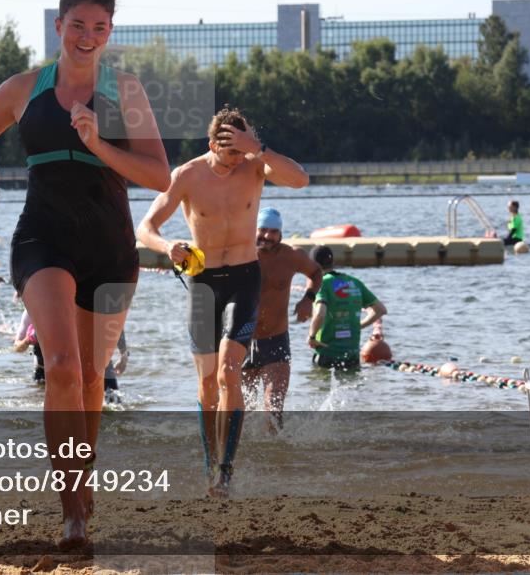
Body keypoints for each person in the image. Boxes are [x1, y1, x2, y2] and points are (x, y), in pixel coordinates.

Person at [0, 0, 170, 547]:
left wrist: (101, 145)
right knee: (64, 368)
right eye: (78, 24)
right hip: (42, 241)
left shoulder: (125, 91)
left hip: (111, 246)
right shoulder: (23, 88)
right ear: (59, 25)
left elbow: (159, 176)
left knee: (95, 378)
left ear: (110, 33)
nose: (87, 36)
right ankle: (73, 510)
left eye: (99, 28)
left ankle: (83, 480)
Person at [136, 106, 309, 496]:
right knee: (207, 384)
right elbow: (145, 227)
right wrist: (167, 246)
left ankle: (226, 472)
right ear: (213, 144)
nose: (238, 160)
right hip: (203, 282)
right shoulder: (187, 175)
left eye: (243, 149)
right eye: (231, 151)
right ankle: (209, 461)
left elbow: (300, 179)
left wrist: (257, 149)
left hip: (245, 279)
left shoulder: (254, 164)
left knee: (230, 370)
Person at [246, 207, 323, 429]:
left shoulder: (291, 256)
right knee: (242, 409)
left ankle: (278, 454)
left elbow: (316, 273)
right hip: (241, 340)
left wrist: (308, 298)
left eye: (274, 232)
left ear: (281, 234)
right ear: (254, 229)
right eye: (262, 230)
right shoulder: (241, 254)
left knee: (274, 405)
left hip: (275, 338)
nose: (268, 236)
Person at [307, 246, 386, 371]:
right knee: (350, 387)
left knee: (320, 389)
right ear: (332, 262)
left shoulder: (321, 283)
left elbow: (320, 313)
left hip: (326, 352)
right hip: (351, 353)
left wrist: (311, 337)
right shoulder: (354, 282)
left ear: (312, 265)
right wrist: (359, 325)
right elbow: (380, 310)